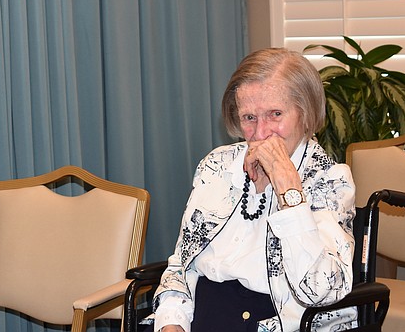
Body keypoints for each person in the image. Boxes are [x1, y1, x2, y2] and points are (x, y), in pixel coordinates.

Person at [149, 48, 356, 332]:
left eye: (275, 114)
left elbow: (321, 292)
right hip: (200, 319)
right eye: (249, 118)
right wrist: (171, 322)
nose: (261, 134)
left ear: (305, 114)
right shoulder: (217, 166)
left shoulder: (330, 180)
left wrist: (288, 188)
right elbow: (181, 266)